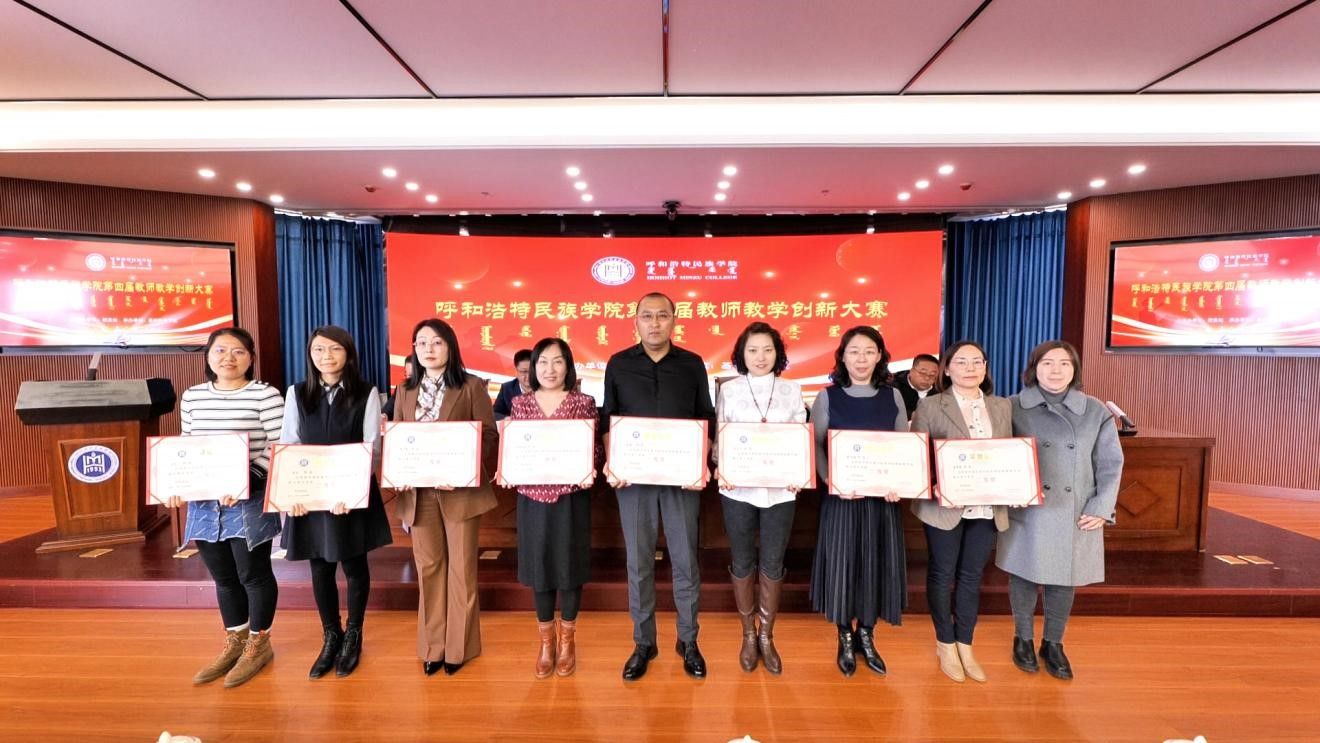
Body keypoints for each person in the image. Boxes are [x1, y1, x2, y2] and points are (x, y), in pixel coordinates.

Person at [602, 292, 715, 681]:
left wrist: (700, 463)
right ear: (635, 321)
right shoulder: (618, 364)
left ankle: (689, 640)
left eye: (662, 316)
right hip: (633, 481)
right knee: (638, 562)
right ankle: (643, 643)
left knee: (685, 560)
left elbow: (705, 417)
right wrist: (613, 463)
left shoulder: (692, 364)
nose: (654, 323)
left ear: (674, 320)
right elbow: (609, 419)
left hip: (681, 479)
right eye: (647, 316)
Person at [997, 340, 1123, 681]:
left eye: (1064, 363)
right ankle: (1022, 638)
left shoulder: (1095, 410)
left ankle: (1053, 643)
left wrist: (1102, 507)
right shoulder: (1012, 406)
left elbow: (1110, 464)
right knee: (1023, 574)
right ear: (1033, 368)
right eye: (1047, 363)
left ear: (1074, 369)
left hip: (1075, 509)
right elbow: (998, 454)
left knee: (1065, 578)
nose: (1056, 370)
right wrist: (1008, 492)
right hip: (1028, 507)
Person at [279, 325, 393, 680]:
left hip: (349, 495)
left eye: (334, 349)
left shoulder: (366, 392)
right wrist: (295, 495)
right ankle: (331, 635)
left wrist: (351, 491)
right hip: (310, 495)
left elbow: (371, 447)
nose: (326, 356)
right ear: (310, 355)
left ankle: (354, 634)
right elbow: (289, 444)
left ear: (348, 353)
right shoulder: (297, 393)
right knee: (319, 567)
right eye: (318, 350)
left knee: (354, 565)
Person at [175, 327, 284, 688]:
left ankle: (259, 644)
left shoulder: (265, 395)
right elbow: (187, 445)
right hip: (205, 501)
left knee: (253, 574)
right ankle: (234, 642)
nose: (228, 358)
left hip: (247, 499)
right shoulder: (192, 397)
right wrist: (176, 484)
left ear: (251, 358)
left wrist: (245, 480)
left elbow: (279, 445)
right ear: (208, 356)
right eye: (220, 350)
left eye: (238, 351)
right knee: (222, 576)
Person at [391, 318, 499, 676]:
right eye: (421, 343)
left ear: (450, 347)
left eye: (436, 342)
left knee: (462, 570)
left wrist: (463, 470)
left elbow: (488, 435)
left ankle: (459, 648)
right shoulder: (404, 390)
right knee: (429, 568)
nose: (429, 349)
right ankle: (432, 646)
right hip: (419, 495)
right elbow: (398, 440)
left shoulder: (471, 386)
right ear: (414, 349)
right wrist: (399, 472)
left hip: (460, 494)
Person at [909, 340, 1011, 683]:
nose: (970, 368)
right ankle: (945, 643)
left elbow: (1010, 455)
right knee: (942, 573)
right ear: (947, 369)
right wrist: (934, 483)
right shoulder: (931, 405)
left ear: (985, 367)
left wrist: (1017, 485)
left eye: (977, 361)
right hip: (944, 505)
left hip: (986, 505)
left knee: (971, 576)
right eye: (962, 362)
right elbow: (919, 455)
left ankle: (965, 643)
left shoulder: (1002, 406)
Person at [809, 325, 908, 678]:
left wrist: (900, 481)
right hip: (843, 500)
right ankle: (844, 637)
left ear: (879, 356)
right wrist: (831, 480)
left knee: (875, 566)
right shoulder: (828, 397)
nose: (861, 358)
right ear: (843, 356)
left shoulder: (893, 396)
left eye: (868, 351)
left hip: (882, 502)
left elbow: (903, 447)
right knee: (843, 567)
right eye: (854, 351)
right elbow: (814, 445)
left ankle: (867, 634)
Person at [500, 337, 599, 678]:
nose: (550, 369)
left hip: (571, 498)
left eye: (558, 362)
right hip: (533, 500)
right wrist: (507, 469)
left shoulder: (583, 402)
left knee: (570, 569)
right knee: (539, 569)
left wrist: (589, 467)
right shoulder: (520, 404)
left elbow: (594, 450)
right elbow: (514, 450)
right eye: (543, 362)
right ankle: (546, 643)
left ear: (568, 366)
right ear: (533, 367)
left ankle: (568, 642)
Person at [714, 321, 805, 675]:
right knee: (741, 559)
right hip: (737, 488)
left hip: (781, 490)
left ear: (778, 353)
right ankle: (747, 635)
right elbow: (721, 438)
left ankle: (766, 635)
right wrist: (724, 465)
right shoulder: (729, 390)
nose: (760, 357)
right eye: (753, 350)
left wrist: (799, 472)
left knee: (772, 560)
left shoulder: (792, 390)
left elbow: (799, 437)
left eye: (768, 349)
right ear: (742, 354)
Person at [894, 353, 940, 419]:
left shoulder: (941, 390)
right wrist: (911, 415)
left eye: (932, 375)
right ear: (911, 371)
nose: (927, 378)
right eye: (922, 373)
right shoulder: (893, 387)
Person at [492, 348, 533, 420]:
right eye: (524, 372)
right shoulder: (507, 388)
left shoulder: (545, 387)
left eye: (532, 371)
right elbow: (495, 413)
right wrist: (506, 418)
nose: (529, 376)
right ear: (516, 372)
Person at [381, 354, 415, 421]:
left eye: (411, 376)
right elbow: (391, 404)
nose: (408, 379)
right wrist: (384, 415)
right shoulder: (402, 388)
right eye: (406, 375)